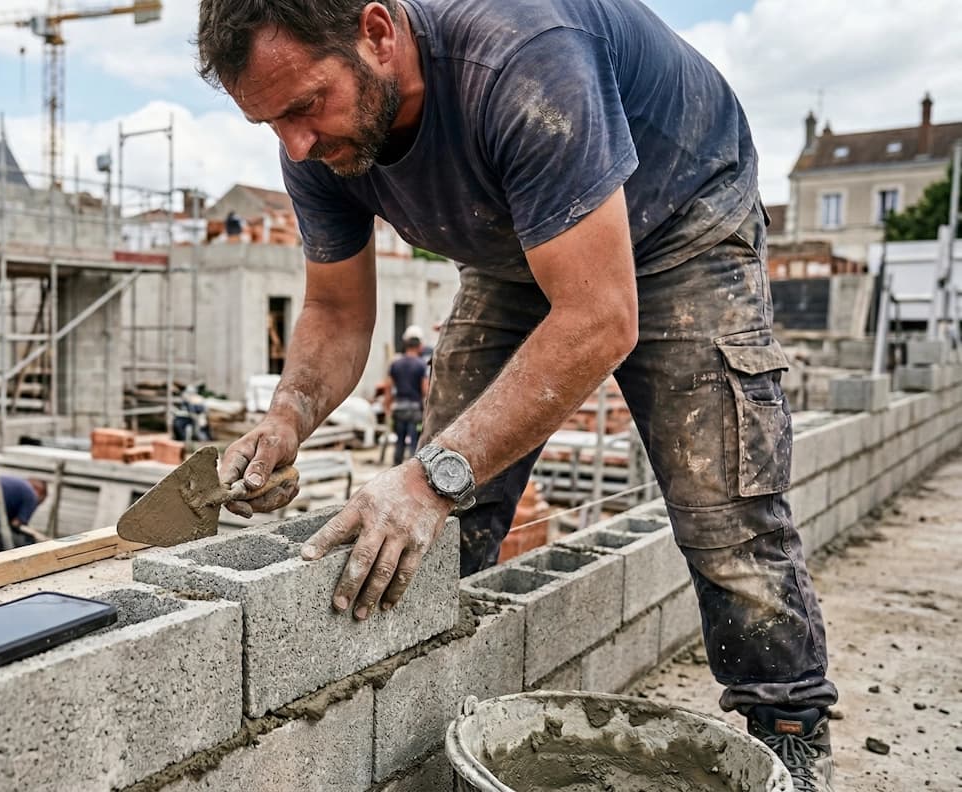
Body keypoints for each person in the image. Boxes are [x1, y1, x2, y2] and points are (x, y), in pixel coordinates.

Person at [197, 1, 834, 787]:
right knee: (437, 515)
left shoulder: (523, 59)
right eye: (271, 124)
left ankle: (790, 728)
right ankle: (418, 692)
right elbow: (335, 311)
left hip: (679, 222)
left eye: (304, 106)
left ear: (376, 33)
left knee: (721, 509)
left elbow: (600, 317)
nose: (295, 143)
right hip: (515, 250)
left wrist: (432, 476)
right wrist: (284, 418)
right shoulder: (319, 147)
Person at [384, 335, 428, 465]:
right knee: (414, 443)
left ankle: (395, 468)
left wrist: (387, 406)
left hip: (398, 408)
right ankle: (412, 472)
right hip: (414, 410)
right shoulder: (421, 364)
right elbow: (425, 389)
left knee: (399, 442)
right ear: (419, 347)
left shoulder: (395, 364)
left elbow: (388, 387)